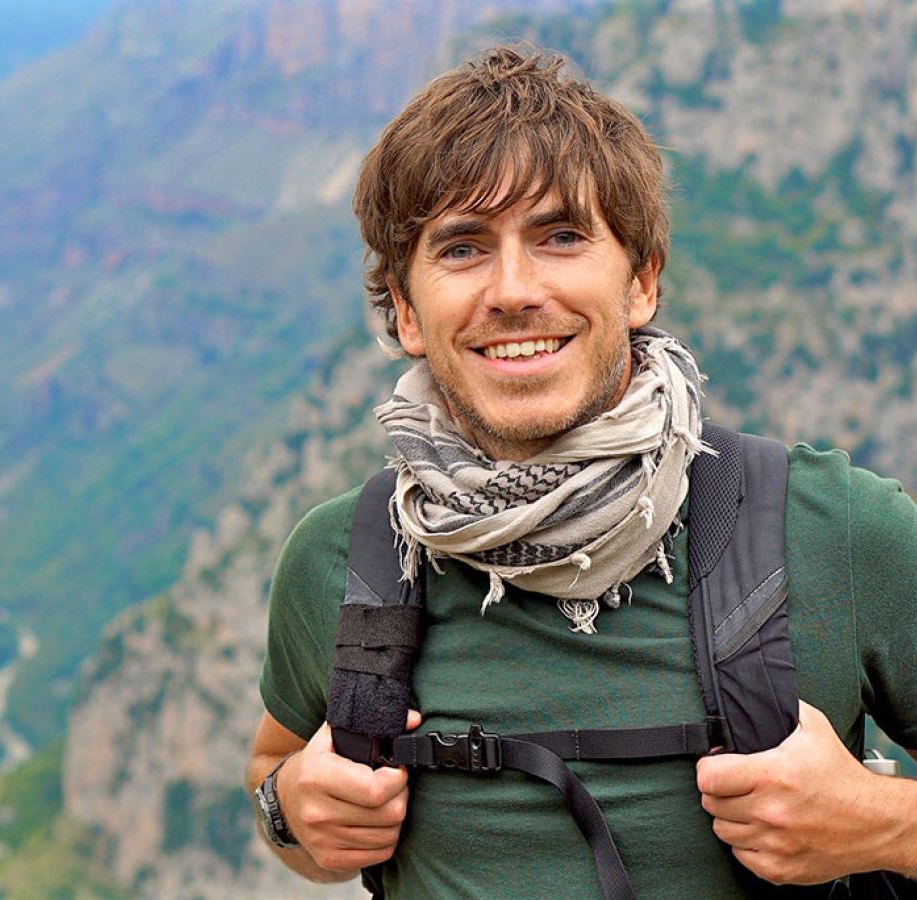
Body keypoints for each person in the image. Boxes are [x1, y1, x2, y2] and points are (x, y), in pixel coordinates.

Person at [245, 46, 917, 898]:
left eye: (561, 236)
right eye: (462, 248)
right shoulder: (345, 558)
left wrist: (888, 822)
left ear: (640, 282)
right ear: (407, 313)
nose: (514, 289)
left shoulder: (835, 530)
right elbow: (275, 773)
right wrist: (291, 809)